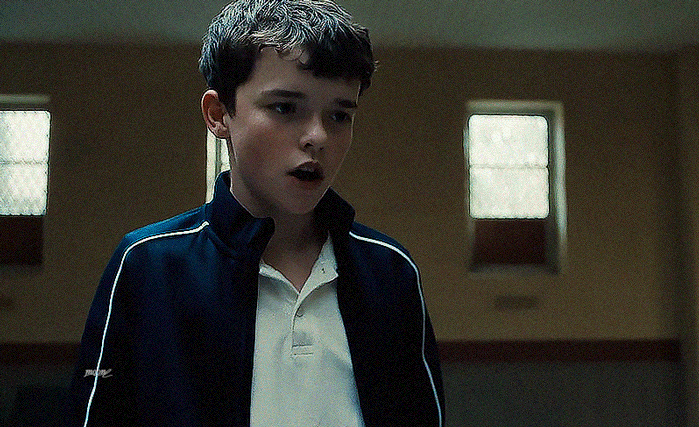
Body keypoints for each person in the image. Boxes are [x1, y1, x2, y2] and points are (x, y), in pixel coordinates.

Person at [64, 0, 444, 425]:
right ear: (218, 115)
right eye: (285, 108)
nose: (318, 136)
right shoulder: (148, 264)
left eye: (340, 115)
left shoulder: (390, 271)